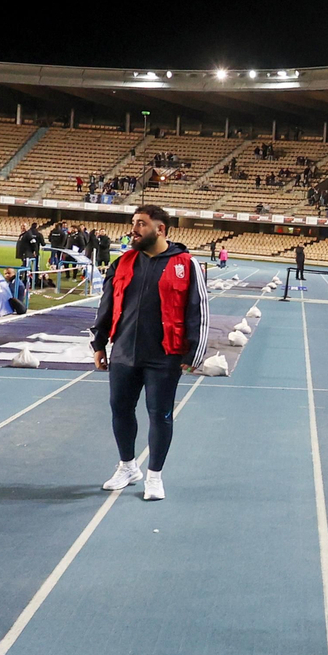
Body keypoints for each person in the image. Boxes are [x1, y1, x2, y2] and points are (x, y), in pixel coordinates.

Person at [90, 204, 209, 501]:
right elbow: (107, 306)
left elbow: (199, 310)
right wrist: (99, 343)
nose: (134, 229)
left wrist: (193, 354)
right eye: (133, 223)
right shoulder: (122, 263)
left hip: (164, 355)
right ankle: (128, 467)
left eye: (141, 224)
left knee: (160, 415)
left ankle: (154, 476)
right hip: (123, 352)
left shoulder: (186, 264)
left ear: (160, 229)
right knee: (120, 409)